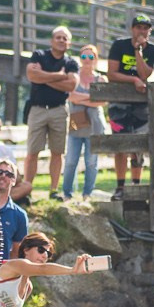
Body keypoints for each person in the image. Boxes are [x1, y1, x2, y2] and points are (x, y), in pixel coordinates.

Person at [22, 25, 78, 200]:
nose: (61, 40)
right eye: (58, 37)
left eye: (65, 38)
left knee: (57, 152)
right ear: (52, 40)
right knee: (32, 152)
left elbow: (71, 85)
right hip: (38, 109)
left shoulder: (71, 62)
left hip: (59, 111)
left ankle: (54, 190)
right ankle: (27, 189)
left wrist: (44, 77)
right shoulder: (39, 55)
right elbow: (32, 76)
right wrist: (60, 76)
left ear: (69, 43)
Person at [106, 14, 154, 182]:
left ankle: (136, 185)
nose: (141, 31)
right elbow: (112, 74)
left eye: (145, 28)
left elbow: (145, 74)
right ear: (132, 29)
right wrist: (133, 79)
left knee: (138, 146)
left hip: (141, 105)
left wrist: (138, 50)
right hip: (119, 103)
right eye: (138, 27)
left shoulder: (152, 50)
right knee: (120, 145)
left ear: (149, 31)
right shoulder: (119, 45)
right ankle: (120, 186)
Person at [59, 45, 103, 200]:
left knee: (91, 162)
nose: (87, 60)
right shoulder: (74, 77)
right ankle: (67, 193)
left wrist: (81, 98)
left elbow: (102, 101)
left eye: (91, 57)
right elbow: (70, 96)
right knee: (71, 160)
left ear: (95, 59)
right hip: (75, 124)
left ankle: (87, 193)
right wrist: (90, 97)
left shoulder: (100, 79)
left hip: (95, 125)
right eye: (84, 57)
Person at [0, 160, 29, 259]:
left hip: (0, 271)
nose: (3, 176)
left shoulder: (19, 215)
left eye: (9, 174)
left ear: (14, 181)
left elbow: (16, 252)